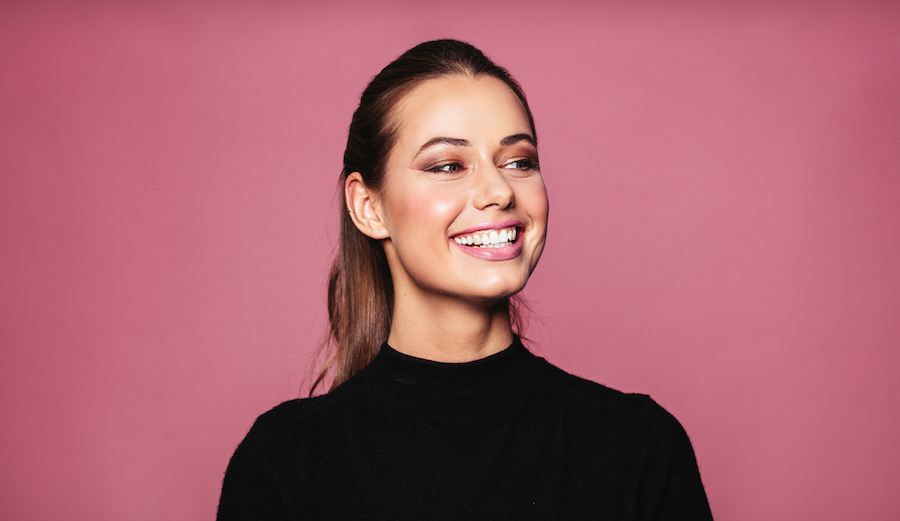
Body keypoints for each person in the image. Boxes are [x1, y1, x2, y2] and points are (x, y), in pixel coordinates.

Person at [217, 39, 713, 520]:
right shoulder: (283, 463)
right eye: (449, 165)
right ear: (368, 207)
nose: (498, 190)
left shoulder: (638, 448)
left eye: (519, 161)